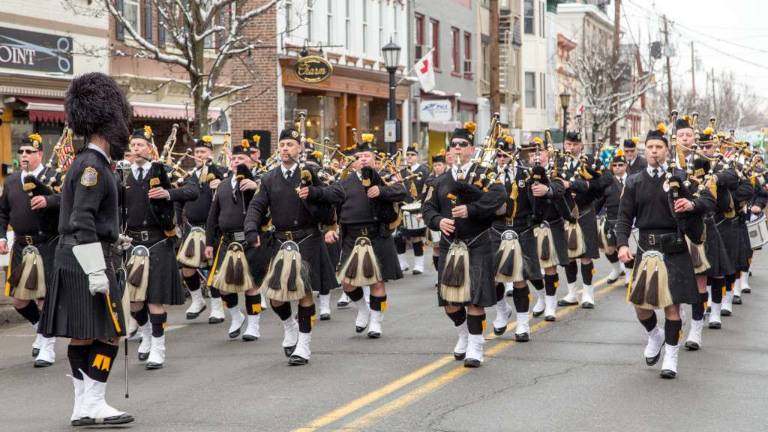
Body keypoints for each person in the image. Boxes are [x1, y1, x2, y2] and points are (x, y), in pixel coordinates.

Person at [39, 72, 134, 425]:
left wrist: (114, 236)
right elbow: (82, 219)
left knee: (81, 335)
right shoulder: (93, 166)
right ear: (108, 125)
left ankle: (82, 405)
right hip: (87, 257)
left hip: (75, 253)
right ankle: (94, 403)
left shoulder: (84, 162)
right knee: (108, 333)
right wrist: (97, 268)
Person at [616, 124, 710, 379]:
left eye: (659, 147)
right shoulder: (635, 181)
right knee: (640, 306)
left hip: (674, 245)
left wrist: (691, 204)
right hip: (646, 246)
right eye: (650, 147)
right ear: (644, 150)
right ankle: (654, 335)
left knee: (672, 307)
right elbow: (624, 217)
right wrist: (623, 244)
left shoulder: (679, 176)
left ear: (667, 151)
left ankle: (671, 355)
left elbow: (707, 201)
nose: (654, 151)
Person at [244, 128, 338, 365]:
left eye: (290, 144)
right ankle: (290, 326)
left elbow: (338, 192)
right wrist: (251, 228)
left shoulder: (312, 172)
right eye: (282, 144)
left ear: (300, 148)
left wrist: (314, 191)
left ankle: (304, 346)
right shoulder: (269, 178)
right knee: (276, 297)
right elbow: (256, 206)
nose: (285, 148)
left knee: (304, 294)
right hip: (281, 241)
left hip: (307, 239)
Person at [422, 122, 505, 367]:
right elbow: (427, 208)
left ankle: (476, 346)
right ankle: (463, 334)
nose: (457, 148)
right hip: (450, 244)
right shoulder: (440, 179)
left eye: (463, 145)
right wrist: (438, 221)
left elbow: (498, 199)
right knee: (450, 301)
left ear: (472, 149)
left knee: (475, 300)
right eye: (454, 145)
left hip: (478, 242)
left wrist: (471, 209)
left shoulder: (485, 174)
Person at [309, 133, 406, 338]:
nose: (363, 159)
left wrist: (381, 191)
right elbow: (328, 195)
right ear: (353, 162)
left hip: (376, 234)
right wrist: (311, 192)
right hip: (351, 235)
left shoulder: (385, 177)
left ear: (375, 160)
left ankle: (376, 322)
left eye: (367, 156)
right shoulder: (344, 183)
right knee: (346, 282)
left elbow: (402, 192)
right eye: (359, 156)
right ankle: (362, 309)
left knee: (377, 281)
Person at [123, 127, 195, 370]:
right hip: (132, 243)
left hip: (158, 241)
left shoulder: (164, 170)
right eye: (133, 146)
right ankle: (145, 334)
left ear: (150, 148)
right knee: (134, 302)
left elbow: (193, 190)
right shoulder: (122, 175)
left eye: (140, 145)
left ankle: (158, 346)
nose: (136, 150)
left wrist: (168, 193)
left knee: (154, 299)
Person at [0, 132, 61, 367]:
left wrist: (49, 200)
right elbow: (3, 211)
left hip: (46, 243)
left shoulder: (53, 176)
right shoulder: (13, 180)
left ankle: (48, 346)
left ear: (40, 154)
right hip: (21, 246)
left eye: (30, 152)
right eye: (22, 151)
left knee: (44, 299)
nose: (24, 155)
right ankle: (41, 329)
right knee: (18, 300)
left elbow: (67, 198)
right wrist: (2, 236)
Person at [205, 140, 266, 342]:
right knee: (222, 285)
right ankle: (236, 316)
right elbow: (213, 216)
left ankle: (254, 325)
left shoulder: (259, 182)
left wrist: (255, 187)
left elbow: (268, 209)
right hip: (227, 242)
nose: (236, 162)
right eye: (234, 158)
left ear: (250, 162)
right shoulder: (222, 185)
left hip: (249, 239)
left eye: (241, 159)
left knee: (251, 285)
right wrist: (208, 242)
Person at [489, 136, 547, 340]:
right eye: (498, 155)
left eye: (506, 154)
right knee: (494, 278)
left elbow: (536, 202)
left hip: (521, 229)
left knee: (520, 278)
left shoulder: (526, 174)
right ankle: (502, 310)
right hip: (496, 229)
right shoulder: (488, 175)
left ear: (514, 153)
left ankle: (523, 323)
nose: (502, 159)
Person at [175, 136, 226, 324]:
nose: (199, 155)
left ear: (210, 153)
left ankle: (217, 306)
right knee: (187, 266)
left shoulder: (220, 173)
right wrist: (178, 222)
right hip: (191, 228)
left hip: (211, 227)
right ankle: (197, 300)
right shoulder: (189, 177)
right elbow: (179, 200)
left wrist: (220, 184)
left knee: (212, 268)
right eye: (197, 153)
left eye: (203, 152)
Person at [558, 132, 611, 309]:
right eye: (568, 144)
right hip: (566, 213)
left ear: (581, 145)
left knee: (586, 255)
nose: (570, 148)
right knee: (569, 256)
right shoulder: (559, 162)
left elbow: (605, 181)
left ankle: (588, 294)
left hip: (585, 211)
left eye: (574, 144)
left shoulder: (591, 161)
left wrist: (581, 185)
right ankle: (572, 293)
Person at [395, 145, 431, 274]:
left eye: (412, 155)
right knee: (399, 237)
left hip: (417, 207)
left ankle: (418, 265)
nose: (409, 157)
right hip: (402, 207)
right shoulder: (402, 172)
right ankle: (402, 263)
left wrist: (422, 206)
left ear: (417, 157)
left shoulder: (424, 171)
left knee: (416, 237)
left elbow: (427, 189)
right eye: (408, 155)